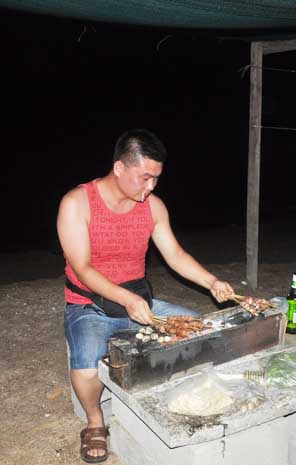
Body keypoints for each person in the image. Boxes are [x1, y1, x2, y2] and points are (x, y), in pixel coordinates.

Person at [56, 129, 234, 463]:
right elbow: (82, 268)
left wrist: (211, 282)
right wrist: (125, 299)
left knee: (203, 332)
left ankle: (175, 397)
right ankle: (95, 423)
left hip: (140, 301)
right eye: (145, 177)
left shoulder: (153, 207)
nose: (151, 186)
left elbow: (175, 255)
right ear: (119, 168)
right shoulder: (76, 203)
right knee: (87, 368)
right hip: (89, 305)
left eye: (156, 178)